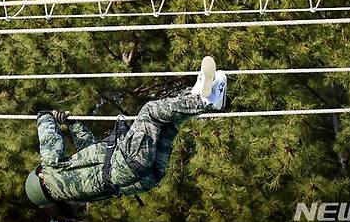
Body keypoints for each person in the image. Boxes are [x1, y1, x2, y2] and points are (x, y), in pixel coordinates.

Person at [25, 56, 227, 210]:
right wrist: (45, 117)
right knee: (151, 112)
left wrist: (72, 124)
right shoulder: (51, 175)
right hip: (126, 163)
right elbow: (49, 143)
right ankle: (203, 101)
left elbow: (90, 150)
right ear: (40, 178)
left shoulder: (72, 193)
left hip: (145, 178)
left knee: (168, 123)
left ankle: (197, 95)